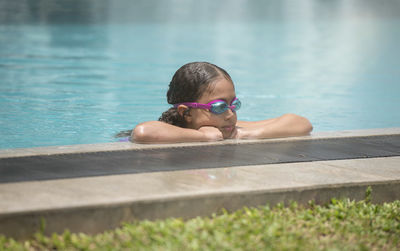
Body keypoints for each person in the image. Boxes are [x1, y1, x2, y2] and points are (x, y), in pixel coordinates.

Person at [132, 62, 312, 143]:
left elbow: (301, 123)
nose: (230, 114)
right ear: (186, 112)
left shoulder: (229, 127)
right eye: (219, 107)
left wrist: (247, 135)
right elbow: (142, 133)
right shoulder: (173, 130)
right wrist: (203, 137)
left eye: (234, 104)